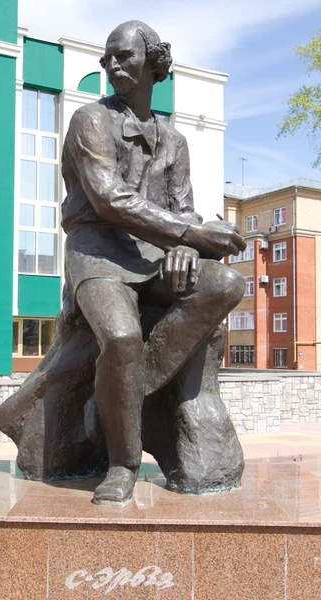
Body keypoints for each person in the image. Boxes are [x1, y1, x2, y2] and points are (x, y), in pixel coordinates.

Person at [61, 20, 246, 506]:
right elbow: (108, 199)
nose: (113, 66)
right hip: (97, 251)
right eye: (107, 59)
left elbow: (183, 209)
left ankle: (122, 395)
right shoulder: (91, 120)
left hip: (155, 253)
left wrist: (185, 246)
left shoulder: (176, 140)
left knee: (225, 282)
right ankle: (123, 461)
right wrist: (188, 233)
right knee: (121, 337)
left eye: (124, 56)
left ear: (154, 63)